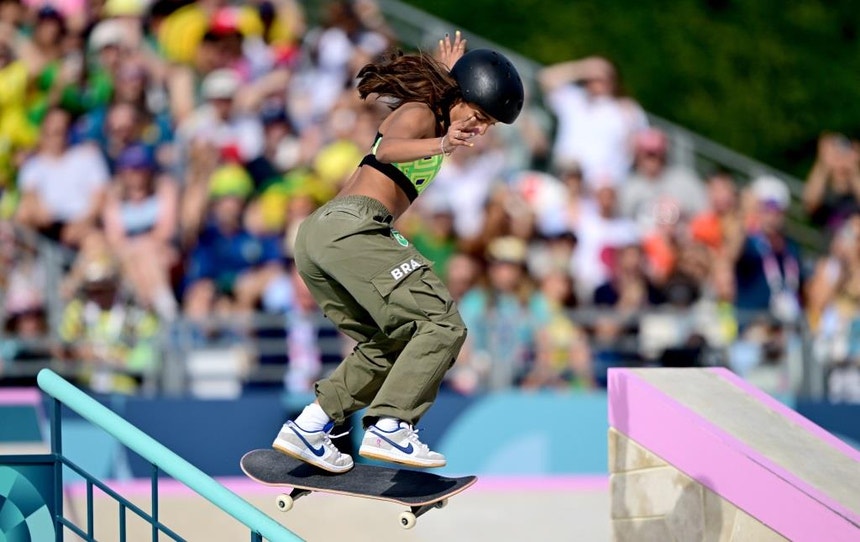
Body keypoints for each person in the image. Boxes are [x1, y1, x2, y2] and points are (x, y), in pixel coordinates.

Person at [271, 36, 524, 472]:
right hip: (353, 225)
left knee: (387, 343)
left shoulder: (432, 107)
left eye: (489, 126)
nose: (479, 130)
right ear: (459, 98)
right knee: (442, 323)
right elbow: (386, 148)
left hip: (323, 239)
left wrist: (447, 78)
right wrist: (444, 143)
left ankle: (309, 427)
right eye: (478, 116)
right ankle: (391, 426)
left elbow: (434, 104)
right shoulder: (423, 114)